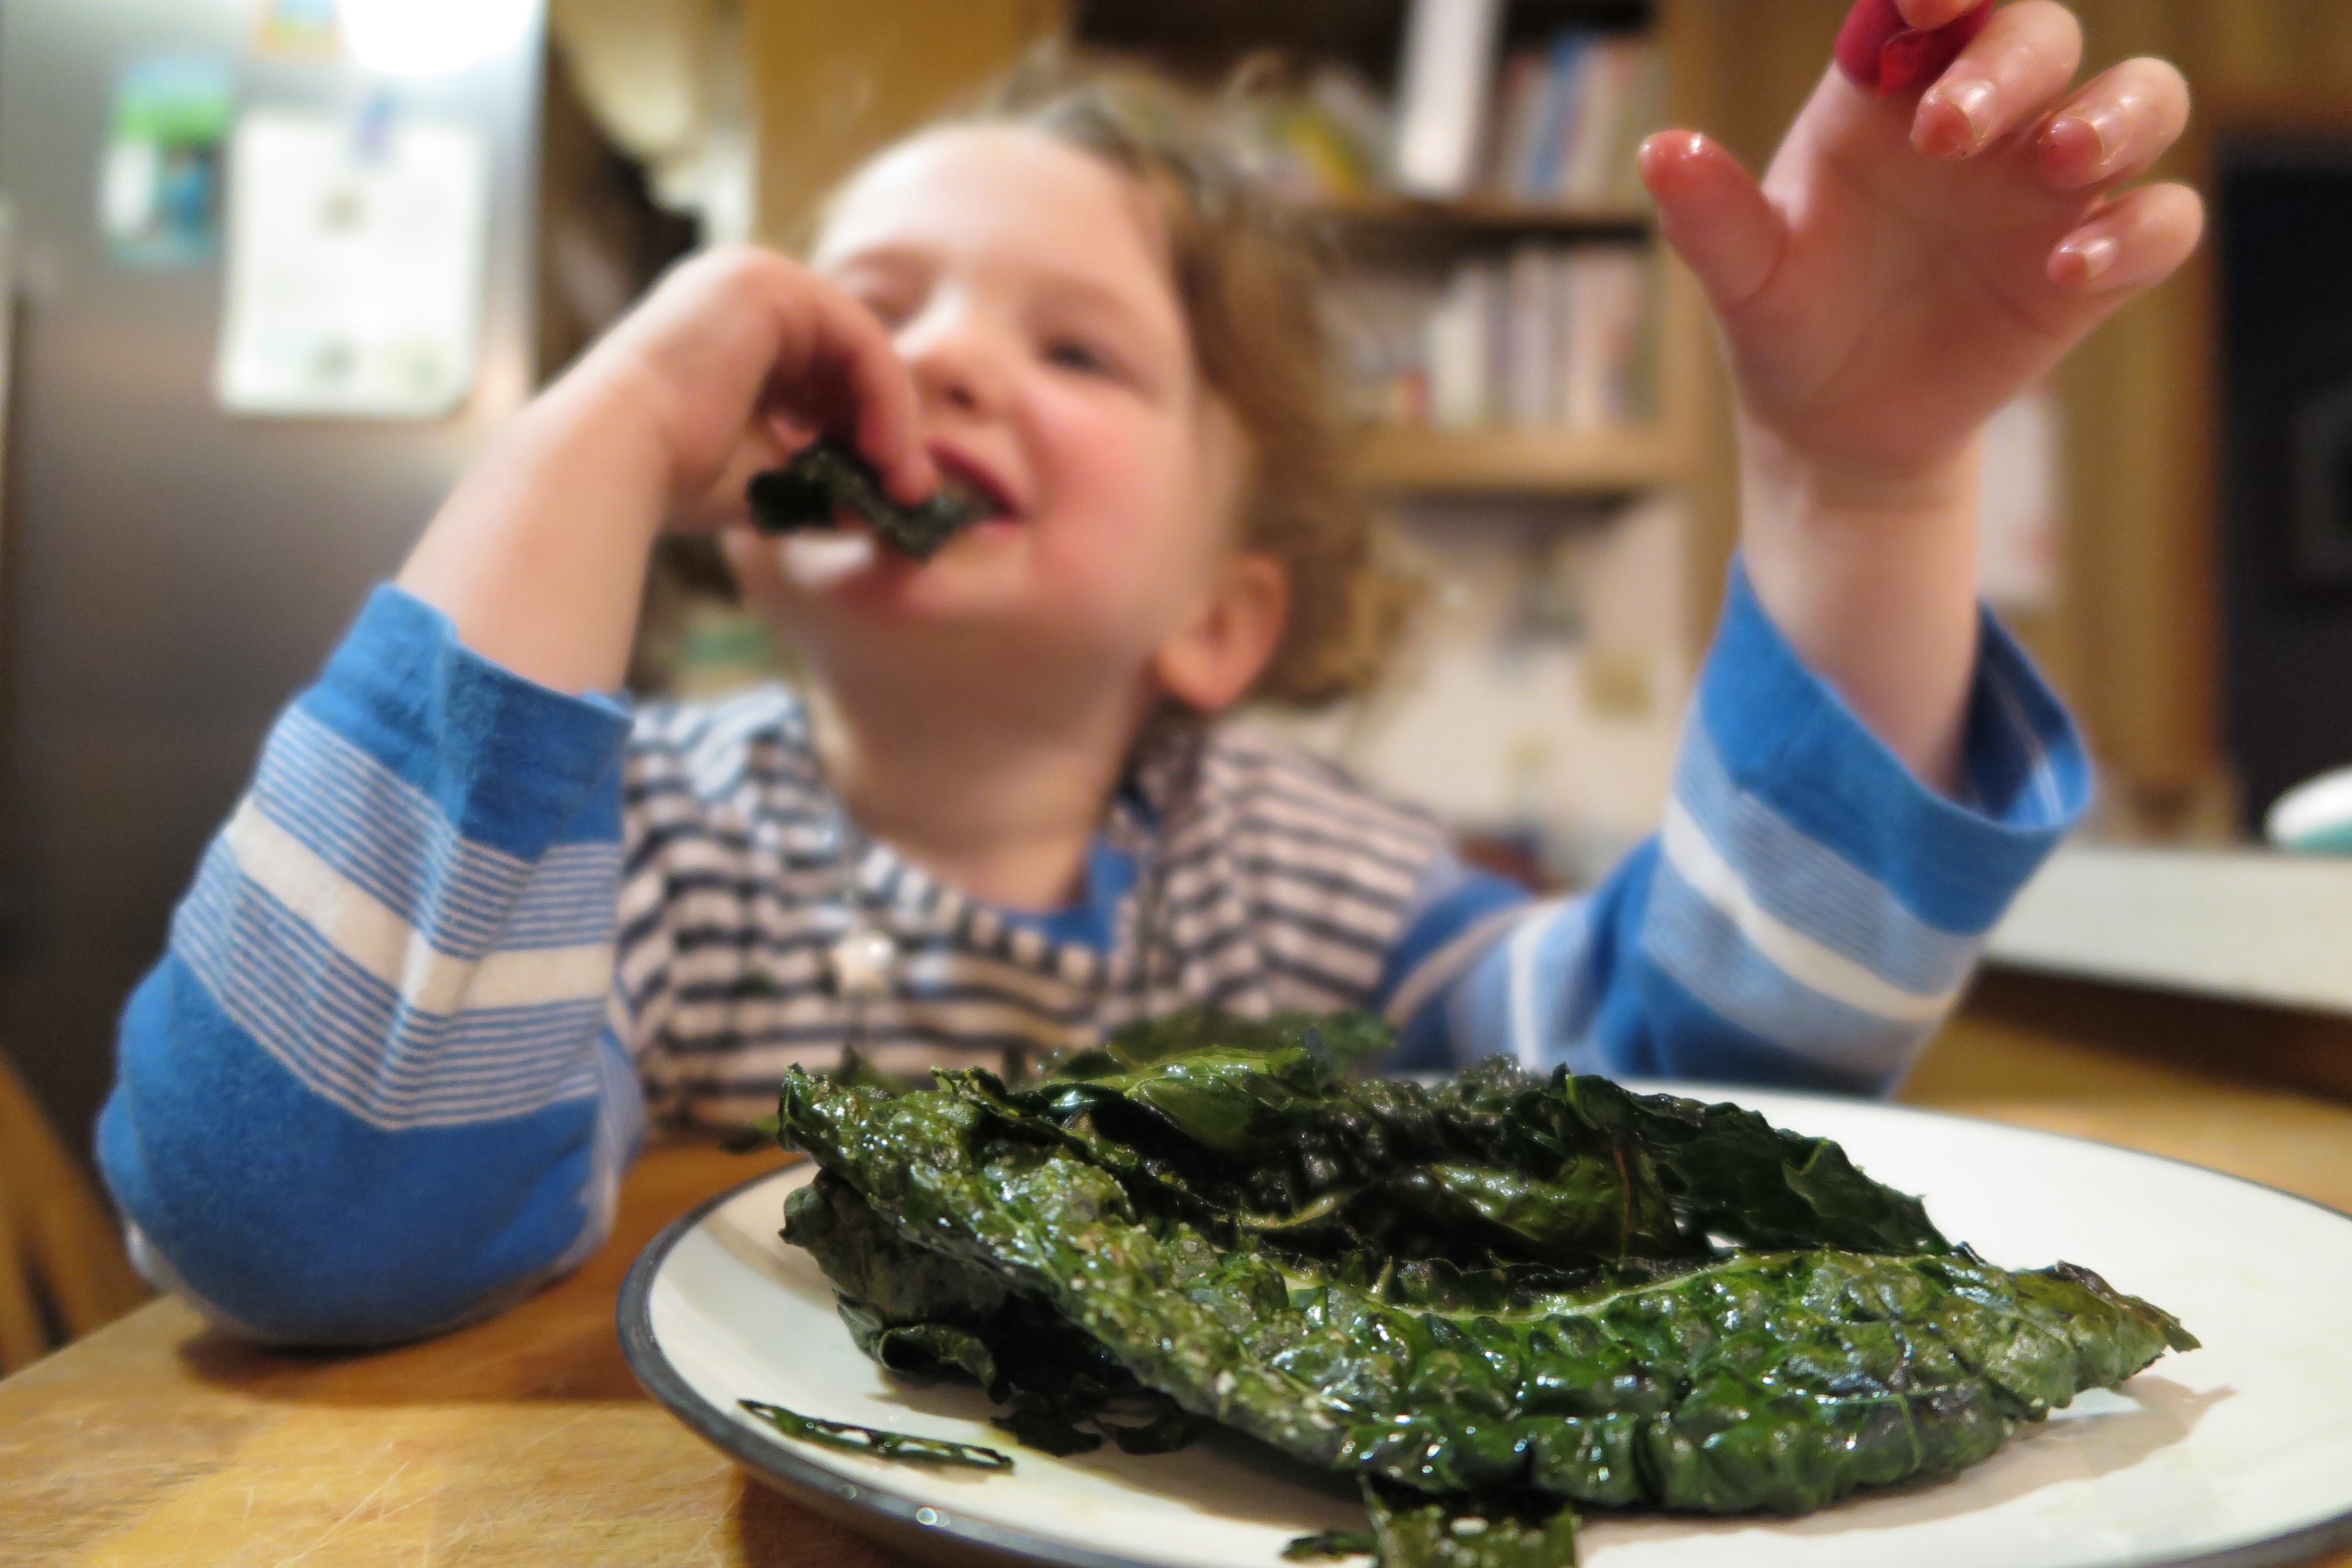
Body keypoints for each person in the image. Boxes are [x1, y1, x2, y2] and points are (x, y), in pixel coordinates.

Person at [99, 0, 2201, 1345]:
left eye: (1076, 348)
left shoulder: (1321, 896)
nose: (931, 365)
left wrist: (1868, 486)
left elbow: (1702, 1108)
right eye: (865, 314)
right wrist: (598, 431)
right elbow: (295, 1217)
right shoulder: (626, 868)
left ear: (1223, 612)